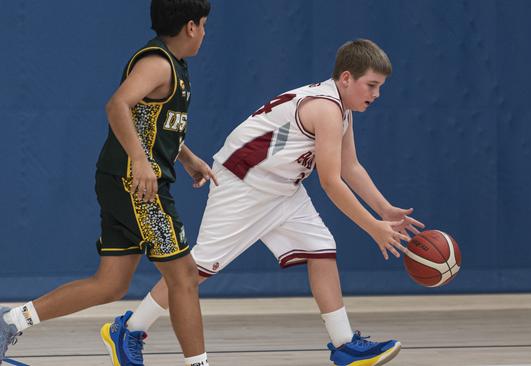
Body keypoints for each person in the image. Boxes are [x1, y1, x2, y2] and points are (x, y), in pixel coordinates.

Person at [107, 38, 424, 366]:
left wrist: (384, 208)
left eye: (379, 87)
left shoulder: (340, 108)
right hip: (244, 182)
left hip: (282, 189)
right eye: (371, 85)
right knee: (195, 270)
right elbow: (331, 182)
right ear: (346, 78)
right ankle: (128, 329)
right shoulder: (326, 108)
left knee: (321, 250)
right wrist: (373, 227)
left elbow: (350, 166)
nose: (376, 95)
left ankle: (344, 345)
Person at [0, 1, 214, 365]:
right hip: (139, 187)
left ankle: (9, 322)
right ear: (191, 26)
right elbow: (117, 105)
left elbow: (152, 123)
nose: (205, 33)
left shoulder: (174, 66)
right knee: (185, 276)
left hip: (124, 181)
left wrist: (187, 158)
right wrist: (141, 160)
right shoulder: (157, 63)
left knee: (111, 283)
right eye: (204, 25)